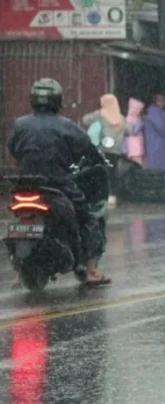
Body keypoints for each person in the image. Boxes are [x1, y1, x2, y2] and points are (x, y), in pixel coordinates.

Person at [8, 78, 111, 286]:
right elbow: (87, 149)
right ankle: (91, 271)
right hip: (58, 184)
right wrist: (99, 159)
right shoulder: (66, 126)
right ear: (57, 100)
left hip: (25, 184)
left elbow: (13, 149)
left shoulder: (20, 124)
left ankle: (18, 272)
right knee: (88, 217)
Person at [82, 94, 131, 208]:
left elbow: (85, 120)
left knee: (101, 173)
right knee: (113, 174)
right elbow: (130, 131)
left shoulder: (100, 114)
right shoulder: (120, 117)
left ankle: (100, 197)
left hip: (103, 149)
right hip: (116, 151)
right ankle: (112, 197)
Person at [144, 92, 165, 184]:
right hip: (158, 144)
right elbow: (162, 127)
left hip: (163, 144)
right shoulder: (153, 112)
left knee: (163, 166)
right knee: (158, 168)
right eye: (161, 101)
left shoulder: (161, 113)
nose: (163, 103)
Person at [122, 97, 146, 166]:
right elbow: (134, 131)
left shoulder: (127, 118)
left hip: (130, 147)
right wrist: (141, 122)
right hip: (135, 147)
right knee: (137, 164)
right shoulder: (135, 120)